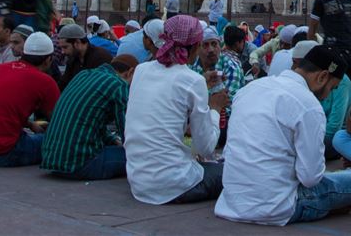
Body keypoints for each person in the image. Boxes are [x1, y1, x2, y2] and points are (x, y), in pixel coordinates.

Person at [215, 45, 351, 226]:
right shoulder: (309, 104)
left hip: (231, 202)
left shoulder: (249, 89)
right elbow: (310, 178)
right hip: (276, 206)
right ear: (322, 77)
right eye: (332, 88)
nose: (327, 95)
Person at [127, 15, 226, 203]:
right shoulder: (192, 80)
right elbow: (205, 148)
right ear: (196, 46)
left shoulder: (141, 70)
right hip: (172, 184)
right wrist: (215, 108)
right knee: (233, 171)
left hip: (138, 180)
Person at [0, 32, 60, 167]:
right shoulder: (46, 82)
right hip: (3, 153)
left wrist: (31, 124)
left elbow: (3, 107)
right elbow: (59, 122)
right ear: (48, 60)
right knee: (55, 142)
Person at [42, 53, 135, 180]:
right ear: (130, 72)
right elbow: (128, 132)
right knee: (142, 158)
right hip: (81, 165)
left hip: (51, 161)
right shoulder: (118, 85)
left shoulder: (82, 75)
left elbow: (89, 120)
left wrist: (113, 140)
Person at [192, 26, 245, 145]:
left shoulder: (230, 67)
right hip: (198, 119)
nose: (211, 49)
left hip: (224, 123)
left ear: (220, 46)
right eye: (205, 45)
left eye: (214, 44)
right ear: (197, 48)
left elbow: (227, 107)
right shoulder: (193, 67)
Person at [52, 23, 113, 91]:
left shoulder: (101, 57)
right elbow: (63, 84)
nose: (62, 52)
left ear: (77, 42)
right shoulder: (73, 59)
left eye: (65, 47)